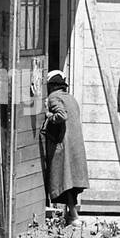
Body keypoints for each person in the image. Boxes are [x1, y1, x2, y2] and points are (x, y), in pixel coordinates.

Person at [40, 70, 89, 226]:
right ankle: (71, 215)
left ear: (52, 86)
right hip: (74, 146)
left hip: (63, 147)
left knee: (64, 180)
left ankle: (73, 216)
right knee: (70, 181)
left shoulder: (54, 97)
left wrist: (48, 116)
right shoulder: (70, 98)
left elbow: (61, 115)